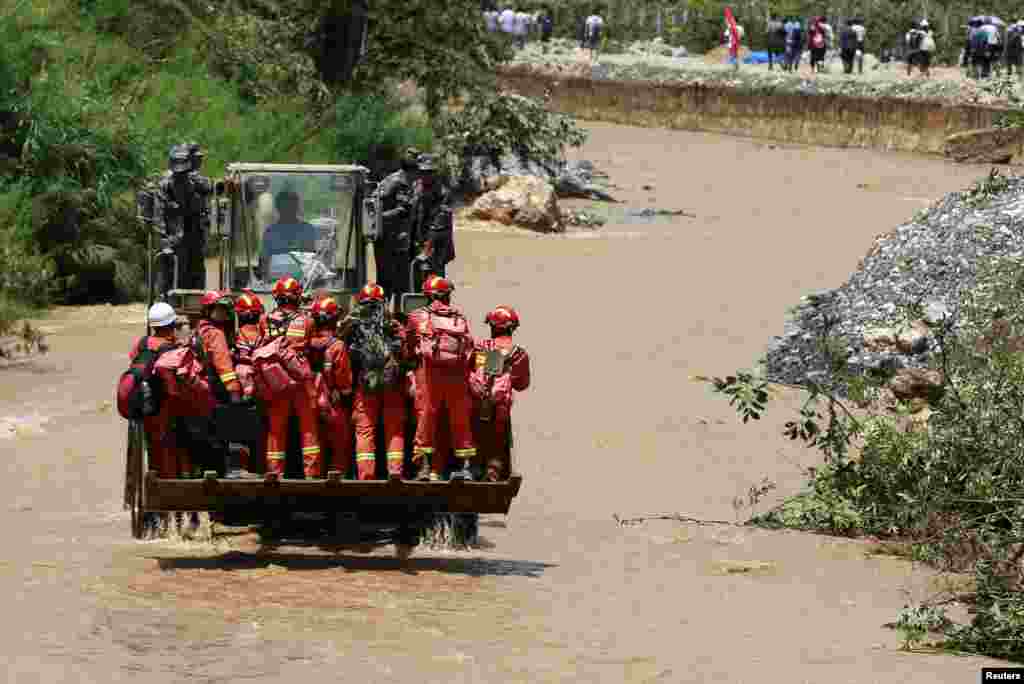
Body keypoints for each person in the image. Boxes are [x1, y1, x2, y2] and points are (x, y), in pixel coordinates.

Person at [404, 276, 476, 481]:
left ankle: (424, 468)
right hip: (456, 375)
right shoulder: (459, 317)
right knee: (459, 419)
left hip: (429, 374)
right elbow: (469, 348)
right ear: (448, 295)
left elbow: (408, 346)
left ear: (427, 295)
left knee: (426, 417)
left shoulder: (417, 316)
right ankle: (466, 466)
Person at [345, 283, 408, 480]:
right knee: (394, 430)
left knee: (365, 431)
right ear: (383, 302)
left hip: (366, 385)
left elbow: (341, 349)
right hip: (392, 385)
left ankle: (366, 476)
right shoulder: (393, 324)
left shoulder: (352, 324)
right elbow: (405, 351)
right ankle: (395, 472)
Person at [263, 277, 322, 478]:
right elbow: (313, 352)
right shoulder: (307, 321)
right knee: (308, 427)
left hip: (276, 380)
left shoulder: (265, 320)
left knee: (276, 428)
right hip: (301, 380)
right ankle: (311, 473)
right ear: (297, 297)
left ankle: (274, 473)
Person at [469, 306, 530, 482]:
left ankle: (475, 469)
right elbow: (521, 384)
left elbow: (472, 369)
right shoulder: (518, 353)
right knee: (498, 440)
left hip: (478, 402)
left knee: (478, 436)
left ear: (492, 327)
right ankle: (493, 472)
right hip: (501, 405)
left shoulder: (481, 347)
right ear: (512, 327)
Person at [133, 302, 187, 479]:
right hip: (164, 407)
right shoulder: (170, 349)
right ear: (171, 326)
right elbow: (174, 386)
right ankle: (170, 487)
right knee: (169, 447)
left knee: (153, 448)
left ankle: (153, 482)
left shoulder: (141, 343)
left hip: (143, 403)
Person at [307, 294, 355, 478]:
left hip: (309, 399)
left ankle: (314, 476)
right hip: (333, 402)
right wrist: (346, 394)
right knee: (339, 441)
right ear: (335, 318)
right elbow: (343, 378)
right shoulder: (338, 345)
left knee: (313, 439)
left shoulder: (306, 343)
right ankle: (337, 476)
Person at [157, 144, 209, 293]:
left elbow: (210, 189)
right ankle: (167, 301)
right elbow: (158, 213)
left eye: (183, 164)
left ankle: (197, 302)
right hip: (173, 236)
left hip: (194, 235)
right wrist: (164, 239)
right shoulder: (165, 184)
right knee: (171, 274)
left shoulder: (196, 181)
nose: (180, 171)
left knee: (196, 271)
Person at [375, 148, 418, 307]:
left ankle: (391, 318)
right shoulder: (398, 183)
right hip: (392, 242)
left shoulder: (395, 180)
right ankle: (391, 318)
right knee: (393, 284)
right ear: (413, 170)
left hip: (392, 242)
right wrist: (399, 212)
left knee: (393, 283)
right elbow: (395, 211)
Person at [229, 290, 266, 478]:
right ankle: (259, 468)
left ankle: (240, 469)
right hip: (262, 385)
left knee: (239, 428)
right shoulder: (265, 335)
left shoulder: (235, 336)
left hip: (239, 388)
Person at [411, 154, 455, 288]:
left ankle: (437, 307)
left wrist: (427, 248)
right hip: (418, 240)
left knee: (435, 282)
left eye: (430, 172)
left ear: (435, 173)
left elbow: (439, 225)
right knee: (416, 279)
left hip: (436, 244)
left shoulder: (443, 193)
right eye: (423, 172)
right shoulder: (416, 187)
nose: (426, 176)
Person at [261, 188, 320, 282]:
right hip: (275, 286)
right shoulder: (270, 232)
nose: (288, 209)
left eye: (291, 205)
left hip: (303, 284)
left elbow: (313, 258)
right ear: (278, 207)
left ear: (296, 207)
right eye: (284, 206)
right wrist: (265, 280)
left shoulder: (308, 230)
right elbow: (265, 262)